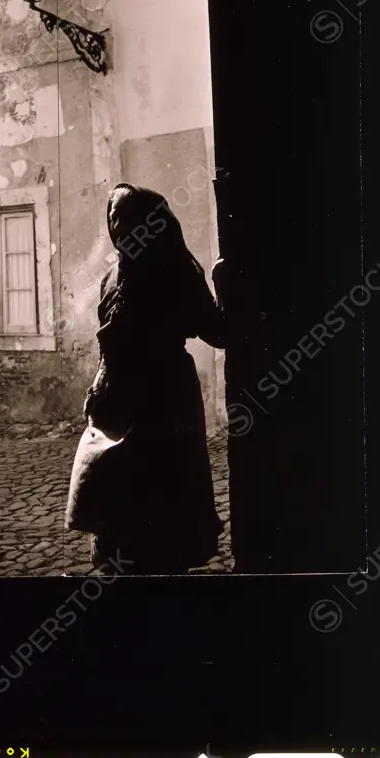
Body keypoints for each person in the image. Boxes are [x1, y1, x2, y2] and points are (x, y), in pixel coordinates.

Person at [64, 183, 227, 575]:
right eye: (114, 218)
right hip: (144, 394)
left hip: (148, 397)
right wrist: (224, 281)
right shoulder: (168, 270)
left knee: (140, 503)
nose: (119, 227)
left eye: (125, 218)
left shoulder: (139, 274)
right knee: (144, 505)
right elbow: (219, 331)